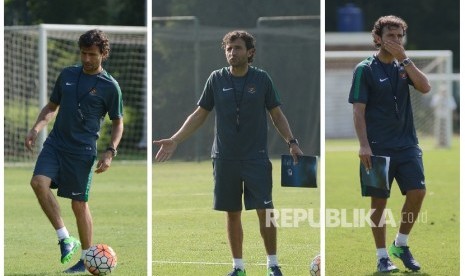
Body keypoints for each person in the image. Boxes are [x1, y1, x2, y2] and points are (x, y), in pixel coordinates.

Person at [154, 30, 303, 276]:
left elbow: (276, 114)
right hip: (224, 158)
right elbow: (199, 114)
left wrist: (292, 142)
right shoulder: (216, 79)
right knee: (232, 213)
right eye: (228, 49)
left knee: (265, 211)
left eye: (238, 48)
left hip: (256, 157)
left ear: (250, 52)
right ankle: (238, 267)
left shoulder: (262, 79)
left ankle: (273, 265)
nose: (232, 52)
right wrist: (175, 139)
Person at [24, 29, 124, 273]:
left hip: (82, 151)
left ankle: (86, 258)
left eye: (92, 54)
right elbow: (51, 106)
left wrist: (110, 151)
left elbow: (117, 121)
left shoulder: (110, 86)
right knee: (38, 182)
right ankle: (64, 237)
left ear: (103, 54)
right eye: (83, 53)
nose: (86, 59)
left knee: (78, 204)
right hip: (56, 144)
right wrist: (37, 128)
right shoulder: (67, 74)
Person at [348, 15, 431, 273]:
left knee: (417, 192)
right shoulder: (364, 69)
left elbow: (425, 87)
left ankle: (401, 244)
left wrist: (404, 58)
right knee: (379, 203)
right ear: (377, 39)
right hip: (377, 147)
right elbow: (358, 111)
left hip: (407, 145)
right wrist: (364, 145)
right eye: (390, 36)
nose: (395, 41)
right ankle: (382, 256)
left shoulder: (403, 66)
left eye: (399, 36)